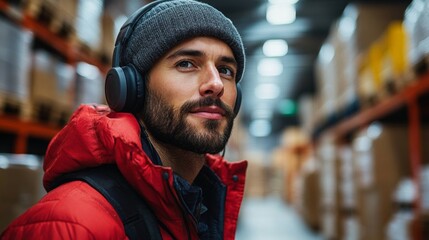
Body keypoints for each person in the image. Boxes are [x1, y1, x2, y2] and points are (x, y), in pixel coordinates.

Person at [0, 0, 247, 239]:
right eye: (186, 64)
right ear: (131, 89)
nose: (216, 84)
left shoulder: (201, 208)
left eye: (226, 70)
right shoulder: (73, 225)